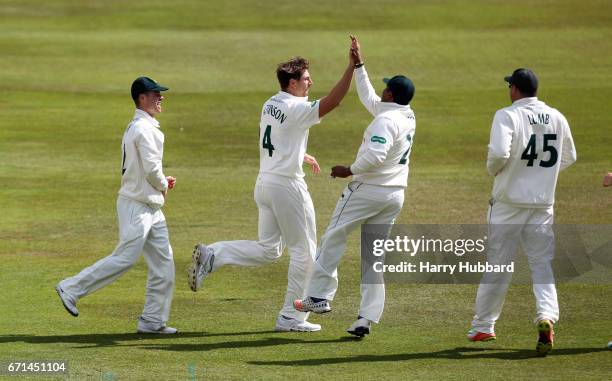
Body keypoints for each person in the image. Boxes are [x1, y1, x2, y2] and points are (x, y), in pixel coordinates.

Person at [188, 40, 356, 332]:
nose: (311, 82)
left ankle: (214, 253)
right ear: (292, 83)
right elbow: (334, 102)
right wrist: (352, 68)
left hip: (265, 182)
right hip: (287, 188)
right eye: (306, 79)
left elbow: (276, 137)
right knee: (305, 253)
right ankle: (291, 317)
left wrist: (299, 154)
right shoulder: (295, 107)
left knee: (269, 249)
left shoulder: (271, 103)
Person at [294, 36, 417, 337]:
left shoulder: (384, 123)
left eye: (385, 87)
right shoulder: (405, 115)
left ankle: (319, 296)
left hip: (368, 191)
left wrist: (348, 170)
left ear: (390, 92)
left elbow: (375, 156)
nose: (381, 90)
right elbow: (370, 100)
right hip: (394, 195)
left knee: (334, 235)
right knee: (373, 257)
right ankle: (366, 318)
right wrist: (358, 65)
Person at [467, 68, 577, 355]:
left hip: (508, 203)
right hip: (543, 204)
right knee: (541, 264)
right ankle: (545, 317)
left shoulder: (507, 115)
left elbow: (499, 154)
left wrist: (499, 173)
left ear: (514, 89)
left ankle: (483, 326)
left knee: (499, 264)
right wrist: (543, 175)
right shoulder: (557, 116)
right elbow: (569, 156)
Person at [56, 76, 178, 334]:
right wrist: (163, 185)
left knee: (164, 264)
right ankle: (71, 287)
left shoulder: (141, 126)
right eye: (155, 94)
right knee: (125, 257)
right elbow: (152, 169)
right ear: (141, 98)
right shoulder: (143, 129)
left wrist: (160, 184)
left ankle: (152, 321)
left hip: (149, 206)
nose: (161, 98)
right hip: (137, 205)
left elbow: (145, 168)